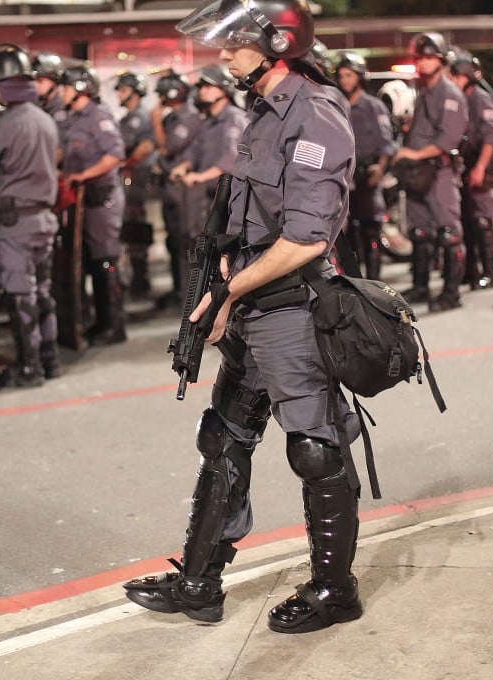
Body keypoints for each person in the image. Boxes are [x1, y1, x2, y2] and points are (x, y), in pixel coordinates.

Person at [123, 0, 365, 634]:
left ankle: (335, 590)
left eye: (234, 44)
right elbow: (244, 220)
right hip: (254, 301)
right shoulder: (260, 113)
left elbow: (307, 239)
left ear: (277, 43)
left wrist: (229, 294)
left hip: (291, 307)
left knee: (316, 449)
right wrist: (221, 287)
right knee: (223, 440)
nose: (222, 55)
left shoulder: (315, 112)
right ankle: (199, 582)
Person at [0, 44, 63, 385]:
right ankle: (50, 359)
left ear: (2, 85)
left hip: (14, 223)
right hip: (44, 219)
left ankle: (29, 368)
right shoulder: (46, 119)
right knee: (42, 292)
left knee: (20, 296)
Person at [392, 32, 469, 312]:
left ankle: (451, 293)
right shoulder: (424, 91)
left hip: (439, 172)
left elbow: (448, 140)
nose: (423, 63)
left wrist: (413, 152)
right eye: (420, 58)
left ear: (441, 59)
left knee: (448, 233)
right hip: (417, 173)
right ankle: (421, 285)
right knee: (420, 232)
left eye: (429, 57)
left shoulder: (450, 94)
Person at [59, 64, 128, 346]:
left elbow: (115, 154)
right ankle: (100, 322)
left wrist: (82, 175)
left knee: (105, 261)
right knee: (91, 262)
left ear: (79, 89)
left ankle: (114, 326)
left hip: (102, 199)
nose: (61, 92)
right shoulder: (75, 119)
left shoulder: (98, 117)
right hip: (84, 203)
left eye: (65, 87)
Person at [333, 51, 395, 280]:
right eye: (341, 76)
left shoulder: (373, 106)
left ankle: (375, 282)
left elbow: (386, 143)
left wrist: (380, 168)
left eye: (349, 75)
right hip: (344, 177)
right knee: (351, 232)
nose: (345, 80)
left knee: (371, 230)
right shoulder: (337, 104)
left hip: (368, 177)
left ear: (359, 77)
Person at [168, 64, 248, 235]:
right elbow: (196, 149)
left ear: (223, 89)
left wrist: (200, 176)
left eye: (207, 86)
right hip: (210, 197)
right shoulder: (209, 120)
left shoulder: (234, 118)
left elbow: (231, 158)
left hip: (230, 199)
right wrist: (184, 166)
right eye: (201, 87)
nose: (202, 91)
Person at [450, 49, 493, 290]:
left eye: (456, 76)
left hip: (481, 163)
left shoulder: (480, 99)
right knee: (467, 221)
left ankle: (491, 273)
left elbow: (491, 138)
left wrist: (480, 167)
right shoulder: (460, 98)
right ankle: (470, 271)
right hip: (465, 165)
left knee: (482, 220)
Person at [151, 70, 202, 308]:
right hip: (170, 188)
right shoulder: (173, 117)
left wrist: (155, 122)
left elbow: (168, 147)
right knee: (174, 242)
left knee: (186, 243)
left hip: (185, 191)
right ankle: (179, 291)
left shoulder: (189, 116)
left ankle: (190, 295)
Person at [115, 71, 158, 297]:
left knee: (137, 226)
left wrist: (127, 162)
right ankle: (137, 275)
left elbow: (146, 146)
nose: (119, 94)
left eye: (123, 90)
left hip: (139, 178)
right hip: (130, 178)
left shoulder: (139, 117)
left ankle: (141, 279)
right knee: (130, 227)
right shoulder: (125, 119)